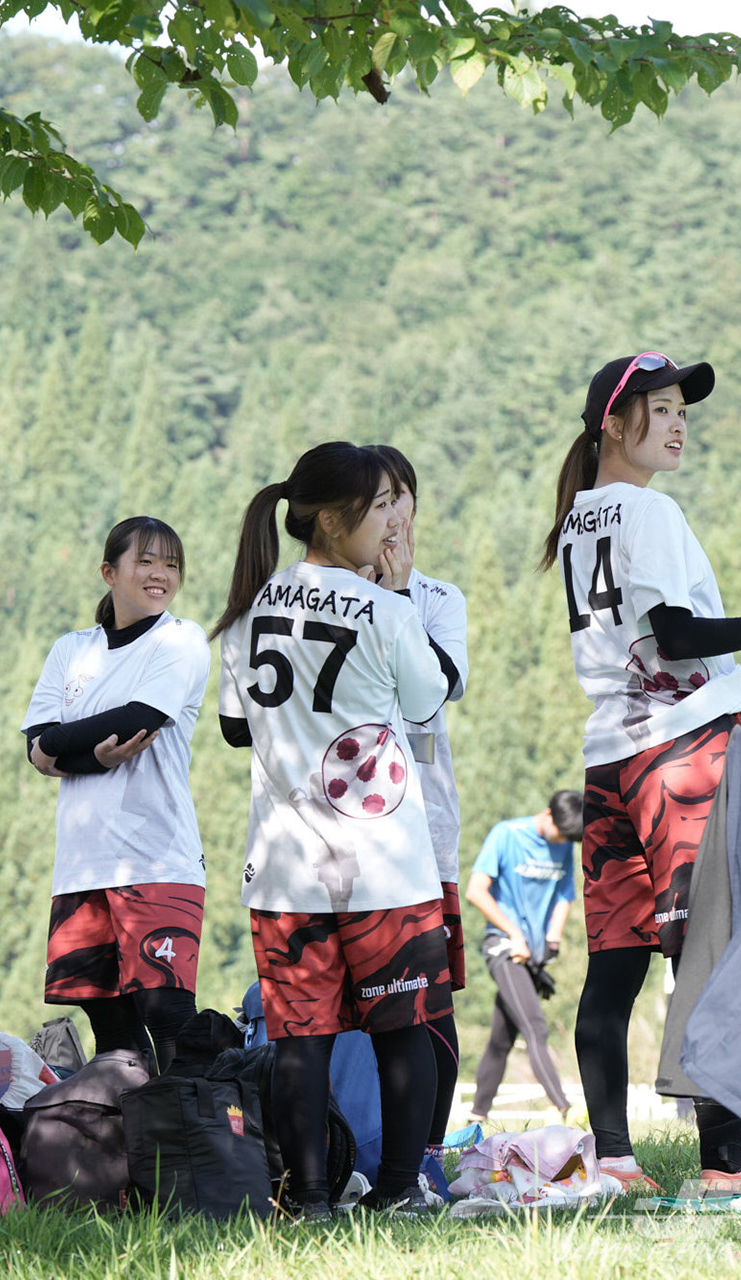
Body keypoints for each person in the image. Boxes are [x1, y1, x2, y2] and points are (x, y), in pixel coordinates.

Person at [541, 353, 741, 1191]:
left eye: (682, 410)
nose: (678, 424)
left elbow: (646, 651)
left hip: (612, 759)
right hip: (678, 762)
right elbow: (674, 635)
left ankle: (614, 1160)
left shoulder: (577, 519)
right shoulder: (651, 510)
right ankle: (722, 1169)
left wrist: (738, 689)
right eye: (661, 408)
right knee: (708, 953)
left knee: (616, 963)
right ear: (614, 423)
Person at [214, 441, 453, 1221]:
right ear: (330, 519)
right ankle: (397, 1190)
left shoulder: (250, 607)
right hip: (383, 860)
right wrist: (397, 596)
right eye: (377, 506)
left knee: (300, 1039)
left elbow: (235, 728)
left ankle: (309, 1197)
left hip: (285, 867)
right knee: (401, 1030)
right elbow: (425, 705)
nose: (391, 521)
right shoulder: (389, 609)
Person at [21, 517, 211, 1072]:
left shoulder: (180, 639)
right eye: (145, 561)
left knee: (167, 1012)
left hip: (157, 858)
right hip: (81, 864)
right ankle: (131, 1129)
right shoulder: (71, 649)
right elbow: (35, 743)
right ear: (109, 572)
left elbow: (139, 719)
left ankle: (192, 1128)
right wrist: (94, 758)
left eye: (171, 564)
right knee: (110, 1028)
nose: (160, 575)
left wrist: (59, 750)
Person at [365, 444, 469, 1176]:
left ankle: (425, 1157)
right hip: (344, 832)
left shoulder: (437, 597)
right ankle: (363, 1144)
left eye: (399, 497)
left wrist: (399, 595)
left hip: (422, 827)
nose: (391, 514)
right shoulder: (332, 595)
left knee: (427, 999)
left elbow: (441, 682)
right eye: (376, 502)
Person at [464, 792, 583, 1124]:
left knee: (501, 1038)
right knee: (535, 1027)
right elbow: (475, 891)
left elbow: (564, 895)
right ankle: (564, 1108)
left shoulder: (565, 844)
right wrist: (514, 933)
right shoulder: (507, 834)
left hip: (532, 955)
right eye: (561, 833)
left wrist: (552, 941)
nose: (563, 841)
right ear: (548, 814)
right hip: (504, 947)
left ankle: (476, 1117)